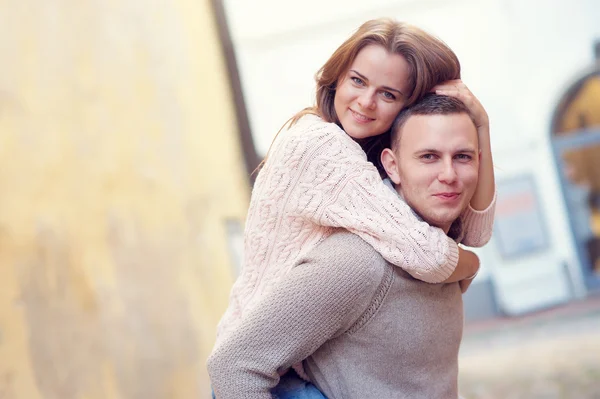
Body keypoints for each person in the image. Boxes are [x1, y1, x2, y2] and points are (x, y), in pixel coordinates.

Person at [210, 17, 496, 397]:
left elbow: (474, 230)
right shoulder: (320, 146)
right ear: (337, 78)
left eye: (389, 94)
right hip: (267, 371)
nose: (365, 102)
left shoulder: (368, 155)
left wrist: (481, 127)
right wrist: (471, 264)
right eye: (357, 81)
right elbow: (428, 254)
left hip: (296, 357)